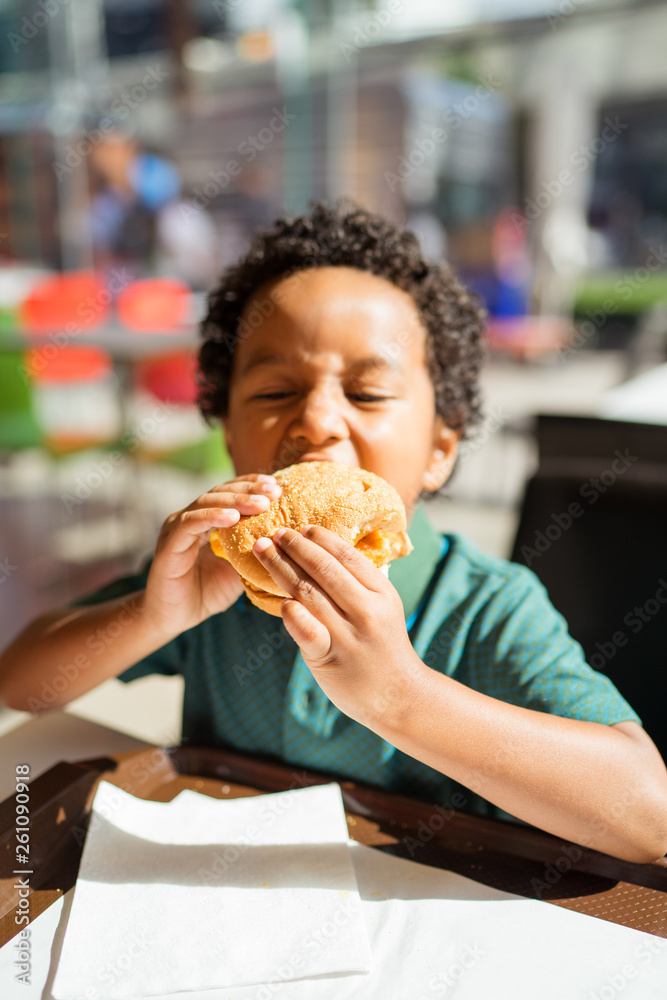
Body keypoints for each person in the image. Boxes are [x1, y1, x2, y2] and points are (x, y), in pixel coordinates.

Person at [1, 200, 666, 863]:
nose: (317, 418)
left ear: (439, 448)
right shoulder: (212, 583)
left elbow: (646, 818)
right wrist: (151, 615)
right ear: (229, 433)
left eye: (368, 394)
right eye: (272, 392)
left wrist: (402, 696)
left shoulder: (482, 607)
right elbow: (21, 684)